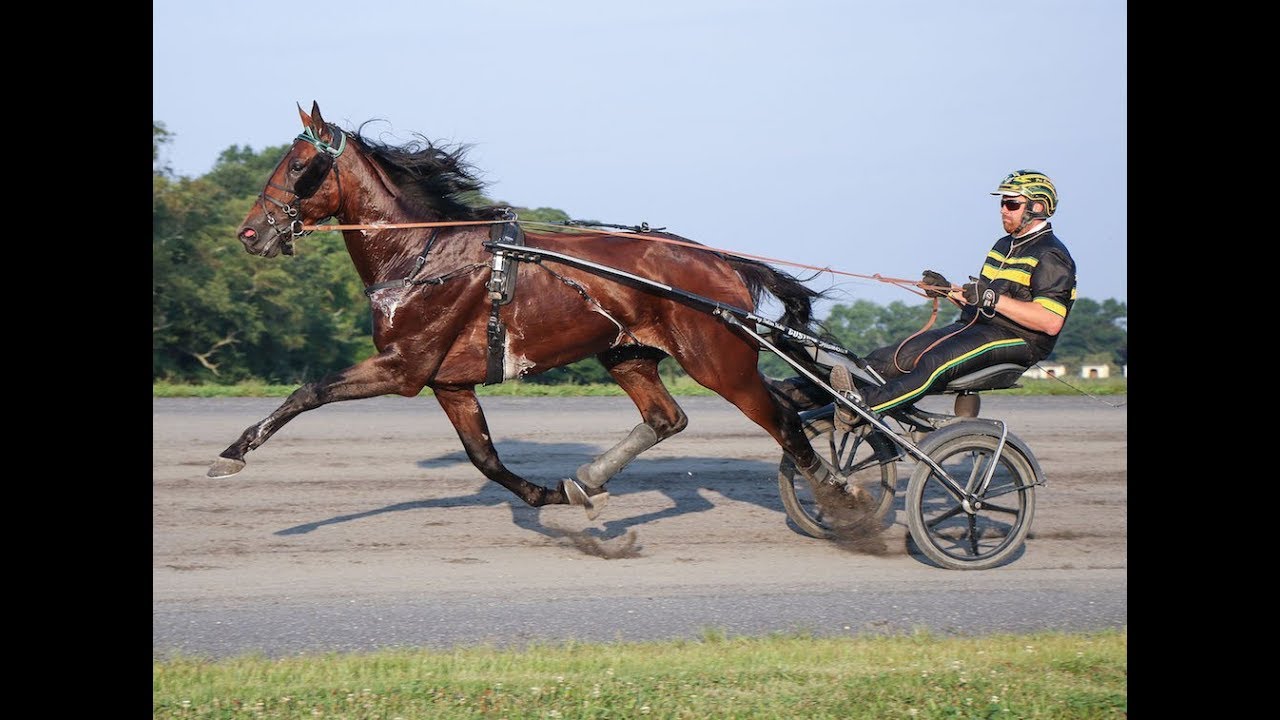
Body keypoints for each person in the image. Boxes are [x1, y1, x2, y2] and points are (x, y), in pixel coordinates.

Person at [772, 169, 1077, 424]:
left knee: (933, 362)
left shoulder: (1050, 255)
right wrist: (947, 290)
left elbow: (1050, 321)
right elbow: (982, 299)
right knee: (884, 360)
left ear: (1037, 208)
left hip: (1018, 341)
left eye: (1011, 204)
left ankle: (862, 407)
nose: (1002, 210)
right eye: (1002, 204)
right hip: (977, 327)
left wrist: (991, 300)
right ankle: (789, 394)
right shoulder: (1003, 245)